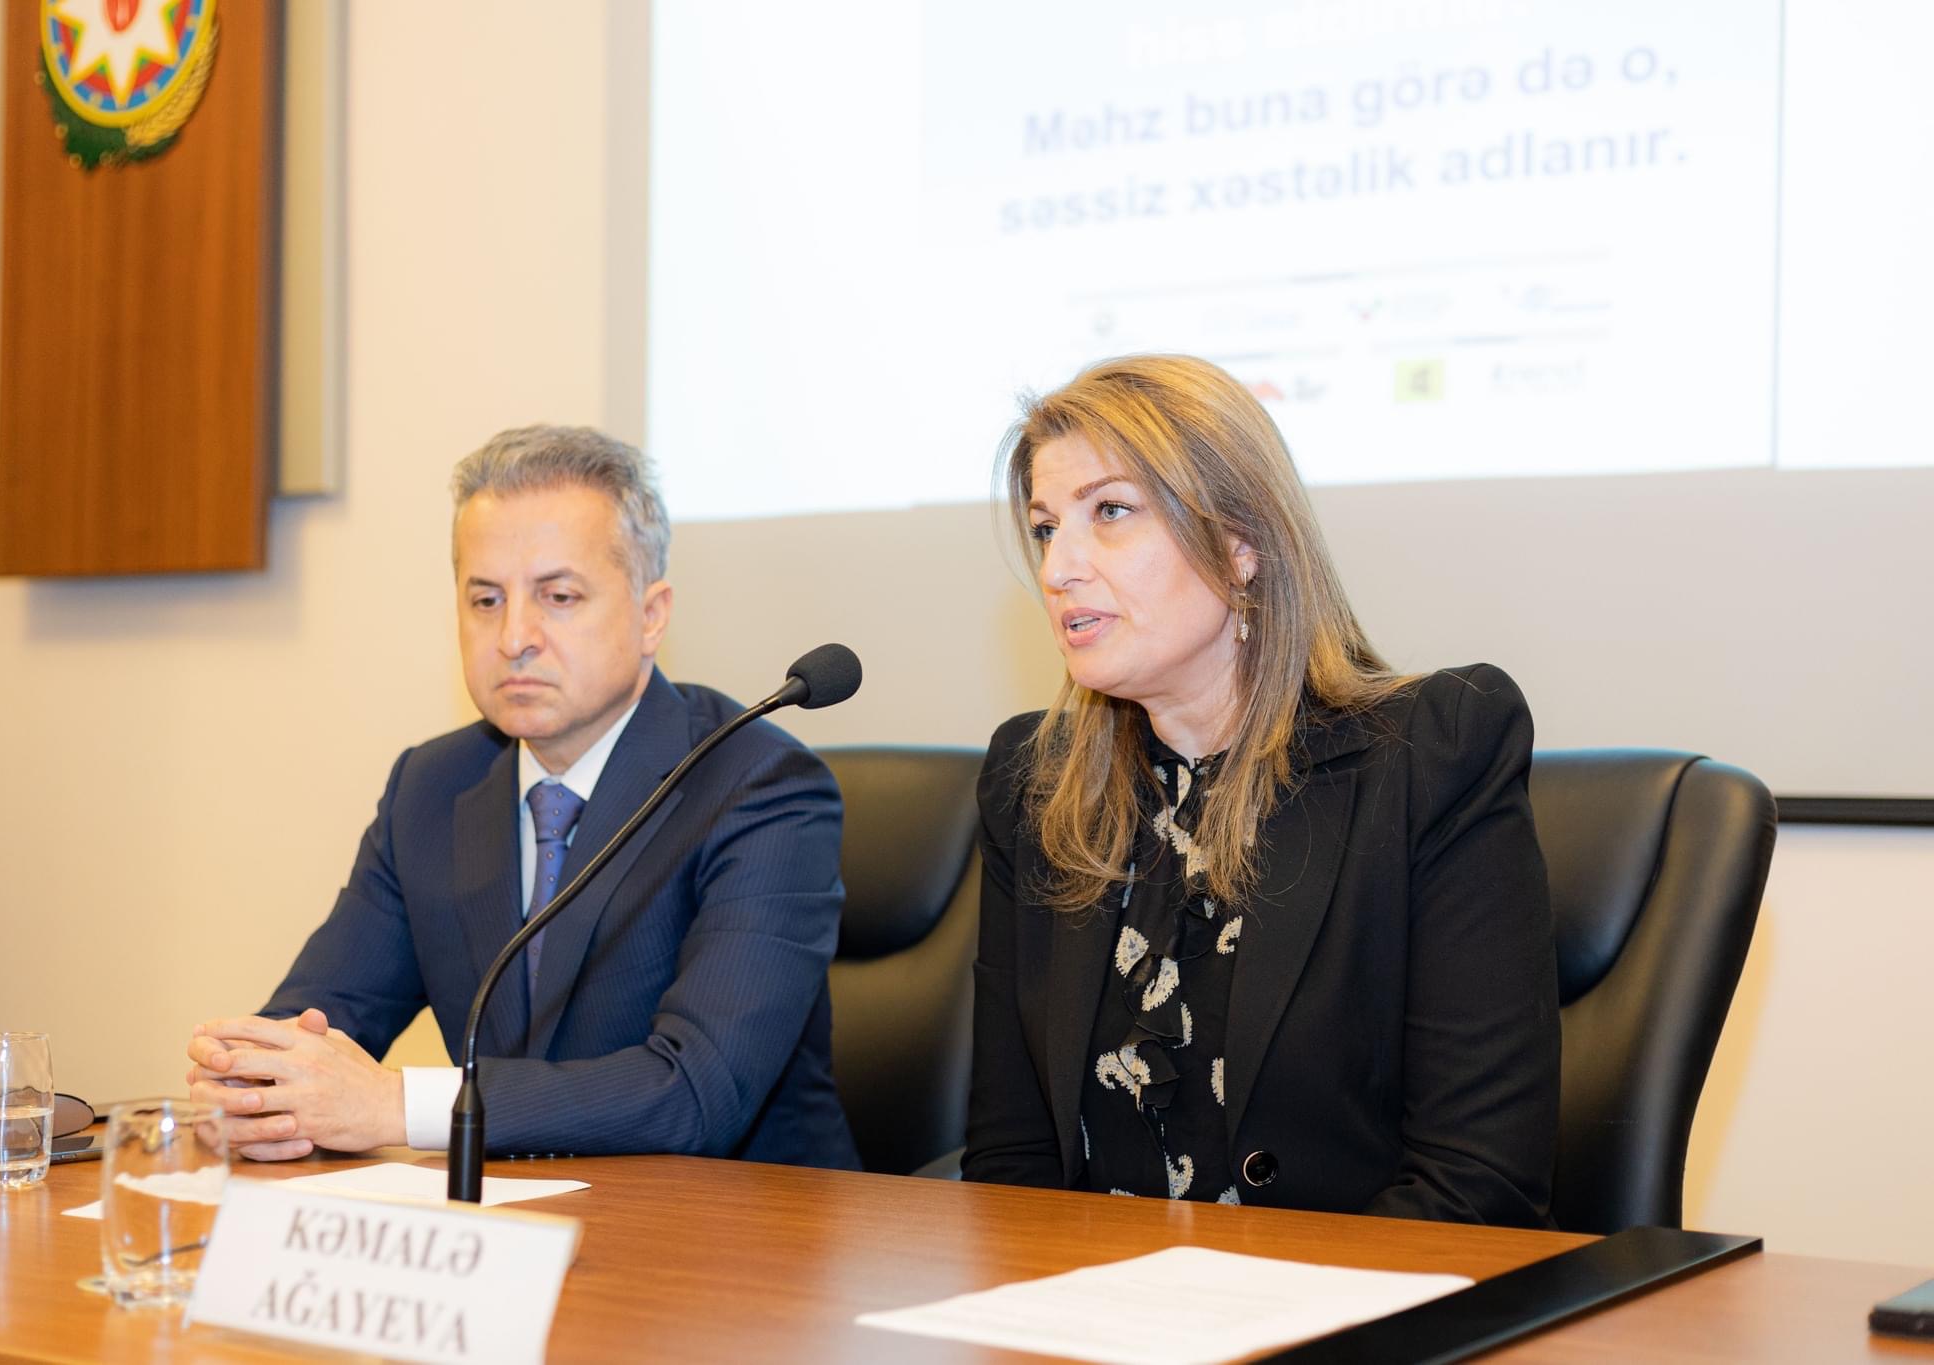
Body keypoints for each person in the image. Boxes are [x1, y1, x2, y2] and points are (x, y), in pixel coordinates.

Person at [963, 356, 1558, 1225]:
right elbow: (1009, 1163)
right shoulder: (1034, 783)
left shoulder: (1432, 752)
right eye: (1047, 528)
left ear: (1240, 543)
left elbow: (1477, 1187)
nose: (1058, 568)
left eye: (1111, 511)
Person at [186, 425, 860, 1169]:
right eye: (485, 599)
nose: (514, 637)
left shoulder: (761, 786)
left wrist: (391, 1103)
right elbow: (321, 1016)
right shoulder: (431, 787)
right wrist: (255, 1086)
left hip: (739, 1223)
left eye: (558, 596)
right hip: (509, 1216)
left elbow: (696, 1092)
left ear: (651, 615)